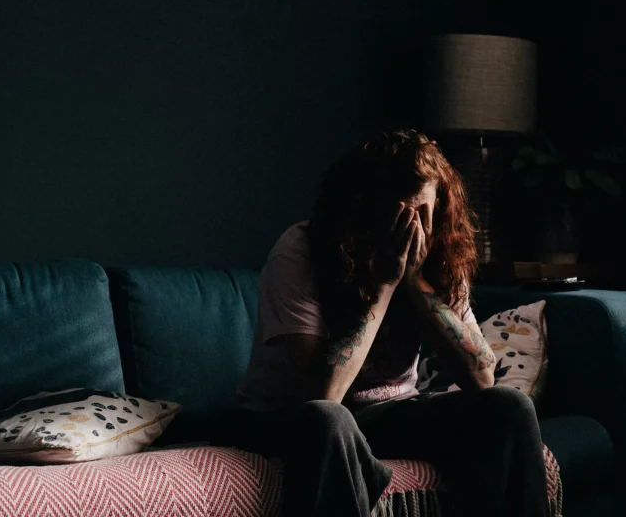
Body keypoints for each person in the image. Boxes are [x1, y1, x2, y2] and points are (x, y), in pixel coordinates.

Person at [227, 128, 548, 517]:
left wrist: (414, 282)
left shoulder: (439, 251)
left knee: (508, 405)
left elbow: (481, 377)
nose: (415, 227)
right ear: (364, 211)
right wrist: (386, 281)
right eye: (400, 214)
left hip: (389, 413)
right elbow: (323, 393)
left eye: (425, 212)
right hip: (285, 416)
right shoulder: (301, 250)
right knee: (329, 419)